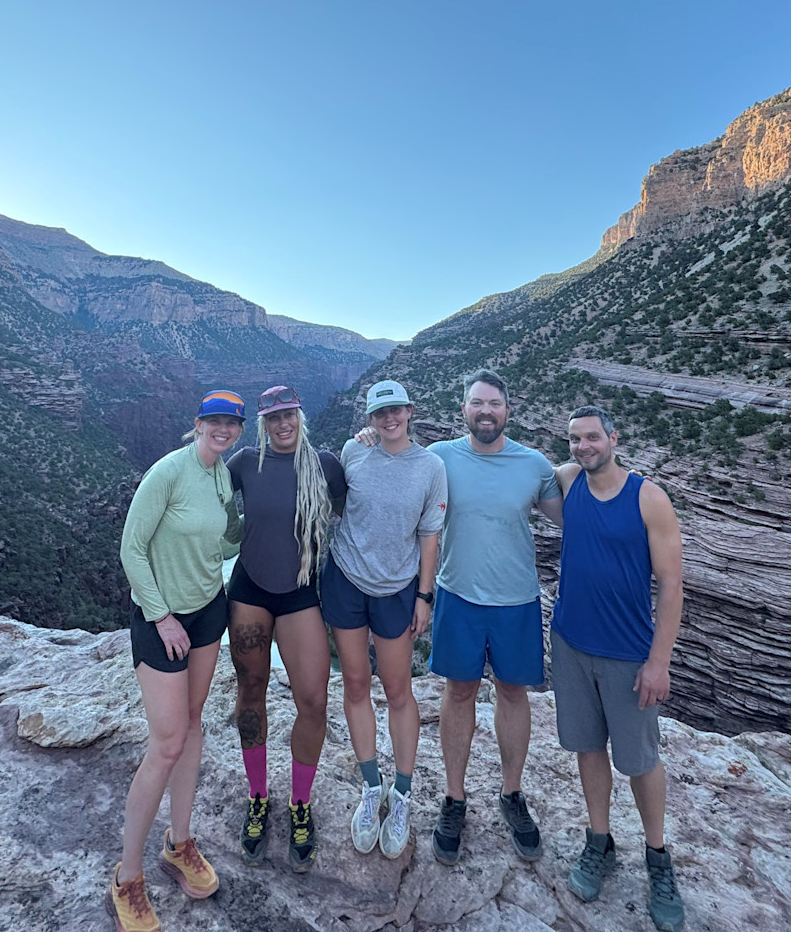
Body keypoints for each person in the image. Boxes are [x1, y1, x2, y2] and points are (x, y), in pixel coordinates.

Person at [109, 391, 247, 932]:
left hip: (209, 611)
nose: (223, 430)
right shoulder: (168, 471)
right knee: (165, 743)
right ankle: (127, 877)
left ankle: (180, 842)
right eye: (214, 421)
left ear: (238, 430)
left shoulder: (221, 476)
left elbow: (228, 534)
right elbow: (131, 548)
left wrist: (244, 515)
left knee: (193, 727)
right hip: (160, 620)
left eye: (231, 423)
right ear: (197, 425)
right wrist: (161, 615)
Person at [551, 405, 685, 932]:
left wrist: (659, 661)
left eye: (591, 438)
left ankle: (658, 858)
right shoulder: (567, 481)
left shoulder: (647, 498)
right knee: (587, 746)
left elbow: (672, 585)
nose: (583, 447)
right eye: (574, 439)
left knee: (640, 759)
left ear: (613, 436)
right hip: (570, 644)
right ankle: (598, 842)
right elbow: (502, 464)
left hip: (629, 653)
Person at [424, 368, 563, 865]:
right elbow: (394, 465)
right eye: (477, 403)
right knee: (458, 691)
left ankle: (512, 793)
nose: (486, 411)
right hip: (458, 595)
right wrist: (368, 434)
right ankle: (455, 798)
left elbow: (573, 515)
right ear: (463, 409)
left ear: (508, 410)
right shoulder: (439, 457)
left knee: (512, 691)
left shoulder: (533, 464)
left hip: (517, 600)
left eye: (495, 404)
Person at [225, 384, 348, 872]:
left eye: (289, 415)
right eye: (273, 417)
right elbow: (198, 491)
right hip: (250, 590)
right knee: (250, 690)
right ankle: (258, 796)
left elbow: (350, 508)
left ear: (301, 414)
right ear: (262, 422)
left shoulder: (325, 464)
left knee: (313, 701)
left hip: (300, 592)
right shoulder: (243, 463)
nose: (282, 424)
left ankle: (300, 802)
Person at [323, 379, 446, 859]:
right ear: (370, 418)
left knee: (398, 690)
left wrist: (424, 596)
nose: (389, 419)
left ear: (410, 411)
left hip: (397, 589)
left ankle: (403, 793)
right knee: (355, 683)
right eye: (379, 413)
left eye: (395, 411)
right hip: (347, 580)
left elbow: (430, 538)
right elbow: (331, 504)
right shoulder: (355, 452)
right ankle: (370, 785)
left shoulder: (431, 467)